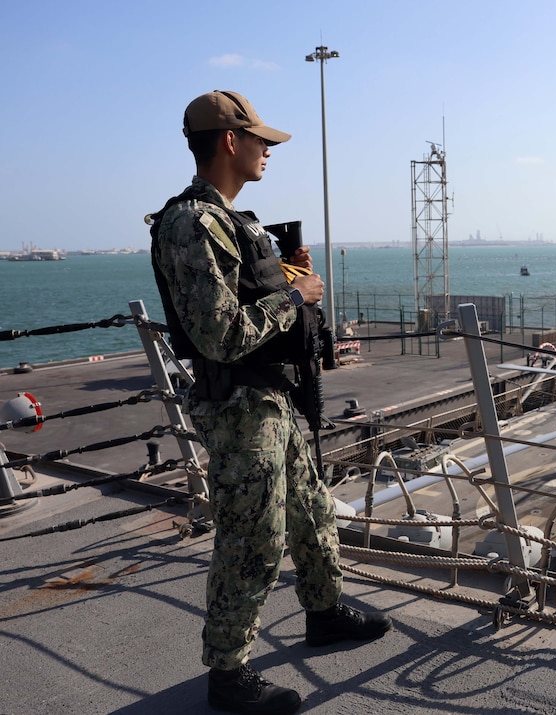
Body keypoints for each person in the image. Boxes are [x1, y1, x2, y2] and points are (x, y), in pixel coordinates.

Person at [150, 90, 391, 715]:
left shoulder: (232, 222)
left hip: (272, 397)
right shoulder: (191, 224)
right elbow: (220, 334)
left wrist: (286, 275)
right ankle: (228, 674)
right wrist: (298, 295)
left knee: (311, 510)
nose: (267, 151)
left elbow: (247, 298)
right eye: (259, 140)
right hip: (240, 407)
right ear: (229, 141)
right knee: (251, 539)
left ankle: (324, 611)